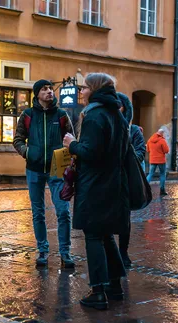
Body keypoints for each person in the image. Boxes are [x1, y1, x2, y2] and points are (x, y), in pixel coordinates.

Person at [63, 73, 128, 311]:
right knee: (106, 234)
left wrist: (72, 144)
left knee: (93, 236)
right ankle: (115, 286)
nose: (81, 91)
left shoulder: (94, 116)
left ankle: (98, 291)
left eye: (85, 87)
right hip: (113, 184)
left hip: (94, 185)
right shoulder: (117, 115)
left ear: (95, 89)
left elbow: (90, 152)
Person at [13, 79, 74, 268]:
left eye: (50, 89)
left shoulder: (62, 115)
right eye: (44, 89)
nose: (49, 92)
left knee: (63, 211)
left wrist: (69, 158)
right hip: (34, 169)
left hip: (57, 169)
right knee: (38, 212)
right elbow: (17, 140)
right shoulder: (28, 115)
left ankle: (65, 252)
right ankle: (43, 251)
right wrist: (28, 152)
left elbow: (71, 139)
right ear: (37, 94)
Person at [116, 92, 145, 268]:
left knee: (124, 218)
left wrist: (128, 154)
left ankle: (123, 252)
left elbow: (141, 153)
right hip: (108, 179)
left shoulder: (133, 131)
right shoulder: (107, 125)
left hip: (126, 178)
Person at [146, 128, 170, 196]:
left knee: (150, 174)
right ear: (161, 133)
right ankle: (162, 190)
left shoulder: (150, 140)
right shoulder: (162, 140)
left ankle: (144, 188)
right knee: (162, 174)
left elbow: (147, 150)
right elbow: (166, 150)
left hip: (152, 160)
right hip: (161, 160)